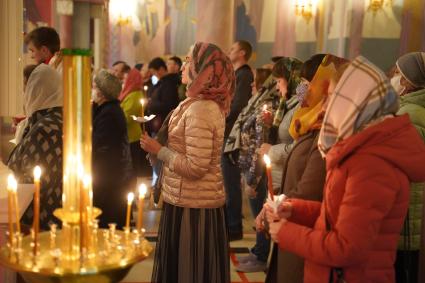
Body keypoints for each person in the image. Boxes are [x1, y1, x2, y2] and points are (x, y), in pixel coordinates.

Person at [265, 56, 425, 283]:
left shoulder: (373, 163)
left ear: (354, 101)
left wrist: (285, 233)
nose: (327, 104)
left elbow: (347, 248)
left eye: (332, 97)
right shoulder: (359, 147)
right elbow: (336, 214)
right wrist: (294, 209)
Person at [141, 42, 235, 283]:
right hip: (187, 200)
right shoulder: (194, 103)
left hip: (194, 208)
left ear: (204, 72)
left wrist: (159, 150)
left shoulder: (201, 109)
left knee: (189, 271)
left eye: (189, 62)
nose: (183, 66)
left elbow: (196, 167)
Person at [263, 55, 349, 282]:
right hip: (289, 202)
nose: (303, 88)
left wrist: (282, 204)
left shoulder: (326, 130)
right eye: (299, 82)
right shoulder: (299, 109)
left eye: (307, 83)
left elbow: (310, 190)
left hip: (306, 233)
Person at [8, 64, 63, 230]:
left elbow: (35, 179)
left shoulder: (47, 127)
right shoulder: (50, 120)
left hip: (38, 220)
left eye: (27, 87)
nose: (25, 94)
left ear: (38, 89)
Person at [391, 52, 425, 283]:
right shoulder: (412, 110)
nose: (393, 78)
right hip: (414, 211)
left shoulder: (409, 115)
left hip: (408, 213)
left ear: (407, 81)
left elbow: (403, 165)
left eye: (397, 74)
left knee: (404, 271)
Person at [92, 70, 134, 229]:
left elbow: (99, 144)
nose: (92, 90)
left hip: (110, 179)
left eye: (94, 86)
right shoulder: (105, 109)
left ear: (102, 92)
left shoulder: (110, 113)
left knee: (109, 223)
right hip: (110, 177)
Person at [223, 39, 254, 241]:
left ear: (242, 53)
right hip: (227, 132)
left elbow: (238, 105)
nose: (230, 50)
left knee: (231, 181)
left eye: (233, 48)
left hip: (233, 135)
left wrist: (220, 115)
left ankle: (234, 227)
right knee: (227, 181)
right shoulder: (237, 74)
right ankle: (229, 222)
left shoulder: (244, 74)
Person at [118, 68, 146, 178]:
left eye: (126, 78)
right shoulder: (130, 93)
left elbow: (127, 117)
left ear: (132, 79)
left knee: (132, 169)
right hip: (129, 135)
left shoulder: (135, 95)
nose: (124, 81)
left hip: (132, 137)